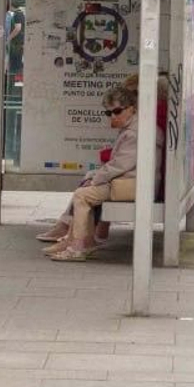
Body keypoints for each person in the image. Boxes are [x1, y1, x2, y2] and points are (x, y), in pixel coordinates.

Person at [42, 81, 145, 261]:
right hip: (131, 180)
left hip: (131, 184)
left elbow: (120, 165)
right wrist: (95, 177)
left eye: (117, 111)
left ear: (131, 108)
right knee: (87, 186)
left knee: (82, 195)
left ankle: (78, 246)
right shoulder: (132, 128)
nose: (113, 116)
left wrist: (96, 179)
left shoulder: (133, 133)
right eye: (108, 113)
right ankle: (77, 240)